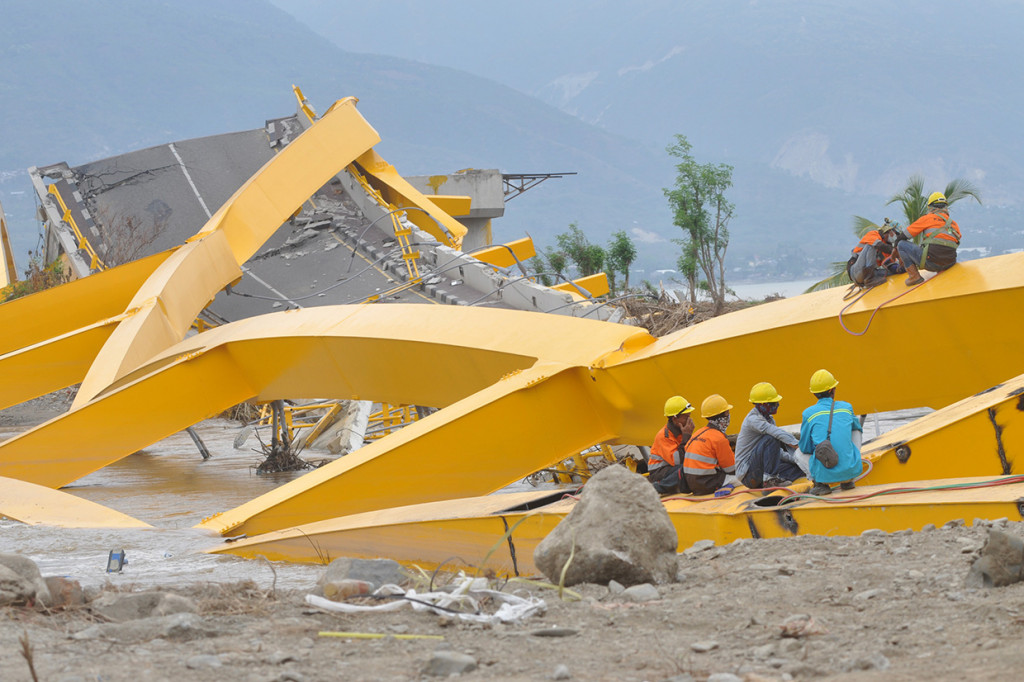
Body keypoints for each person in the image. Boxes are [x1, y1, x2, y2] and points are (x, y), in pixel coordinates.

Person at [798, 369, 863, 495]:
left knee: (797, 453)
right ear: (832, 390)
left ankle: (820, 484)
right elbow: (856, 429)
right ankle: (848, 480)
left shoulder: (808, 414)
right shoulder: (846, 407)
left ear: (814, 394)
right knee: (855, 429)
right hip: (851, 470)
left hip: (826, 470)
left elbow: (805, 447)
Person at [735, 382, 806, 489]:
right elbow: (776, 433)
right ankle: (769, 481)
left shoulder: (769, 419)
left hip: (759, 470)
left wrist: (798, 460)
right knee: (772, 438)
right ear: (762, 405)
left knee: (798, 468)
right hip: (748, 475)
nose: (777, 405)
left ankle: (772, 479)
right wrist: (800, 447)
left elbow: (776, 452)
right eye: (773, 403)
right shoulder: (753, 420)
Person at [896, 192, 961, 285]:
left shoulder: (927, 218)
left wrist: (895, 250)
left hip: (931, 262)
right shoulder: (954, 224)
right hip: (950, 263)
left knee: (901, 244)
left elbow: (904, 236)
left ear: (930, 207)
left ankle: (914, 277)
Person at [682, 394, 737, 496]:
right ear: (724, 415)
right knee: (743, 480)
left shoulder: (697, 433)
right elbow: (731, 469)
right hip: (708, 483)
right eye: (727, 412)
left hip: (692, 484)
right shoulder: (719, 438)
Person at [646, 395, 696, 494]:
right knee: (685, 468)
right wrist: (687, 437)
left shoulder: (681, 430)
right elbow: (678, 461)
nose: (689, 421)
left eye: (689, 416)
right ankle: (658, 488)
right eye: (686, 417)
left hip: (671, 469)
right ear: (675, 419)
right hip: (659, 472)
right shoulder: (664, 436)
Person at [847, 220, 904, 288]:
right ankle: (869, 280)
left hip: (867, 274)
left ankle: (869, 279)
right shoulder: (873, 234)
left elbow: (890, 264)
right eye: (896, 234)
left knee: (891, 273)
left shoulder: (887, 246)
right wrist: (897, 252)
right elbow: (879, 245)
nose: (896, 237)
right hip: (856, 271)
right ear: (890, 231)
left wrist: (901, 268)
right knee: (872, 245)